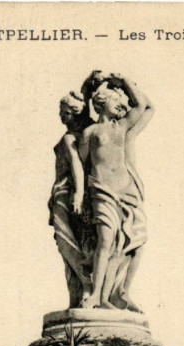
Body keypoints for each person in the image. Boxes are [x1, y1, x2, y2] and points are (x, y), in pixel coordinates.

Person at [78, 74, 154, 310]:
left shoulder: (121, 127)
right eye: (115, 101)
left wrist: (123, 81)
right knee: (105, 241)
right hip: (103, 191)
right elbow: (81, 166)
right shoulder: (90, 132)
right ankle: (96, 296)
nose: (121, 106)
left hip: (126, 192)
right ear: (100, 103)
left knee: (136, 241)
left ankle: (120, 292)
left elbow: (142, 105)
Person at [49, 91, 93, 307]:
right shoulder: (75, 137)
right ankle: (76, 296)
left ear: (76, 113)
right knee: (67, 245)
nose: (61, 116)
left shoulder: (70, 139)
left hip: (66, 195)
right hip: (61, 196)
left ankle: (87, 284)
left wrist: (78, 194)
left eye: (65, 112)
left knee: (66, 241)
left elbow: (76, 166)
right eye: (61, 112)